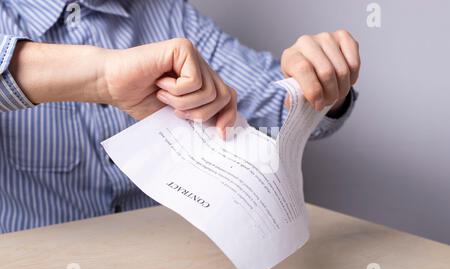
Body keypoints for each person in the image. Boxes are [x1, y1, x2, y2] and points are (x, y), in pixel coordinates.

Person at [0, 0, 360, 233]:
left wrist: (317, 81)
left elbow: (271, 106)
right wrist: (102, 75)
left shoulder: (169, 13)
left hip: (170, 267)